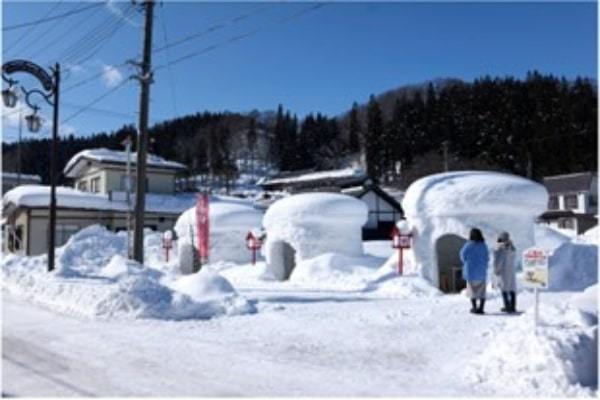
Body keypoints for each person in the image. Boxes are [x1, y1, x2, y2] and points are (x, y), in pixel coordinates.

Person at [460, 228, 489, 314]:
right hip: (481, 272)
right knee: (482, 291)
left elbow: (462, 256)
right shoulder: (483, 245)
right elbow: (487, 257)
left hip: (471, 272)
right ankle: (481, 308)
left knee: (472, 291)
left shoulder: (468, 245)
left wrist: (467, 262)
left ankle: (474, 308)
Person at [493, 231, 517, 313]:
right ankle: (513, 306)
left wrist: (496, 271)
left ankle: (507, 306)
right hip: (511, 271)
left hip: (503, 271)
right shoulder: (512, 248)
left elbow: (498, 262)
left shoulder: (501, 249)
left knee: (504, 289)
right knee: (512, 288)